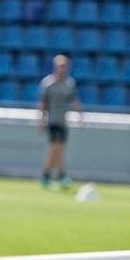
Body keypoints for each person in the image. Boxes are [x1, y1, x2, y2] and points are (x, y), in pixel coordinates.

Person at [38, 54, 82, 189]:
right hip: (52, 121)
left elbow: (74, 101)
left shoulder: (69, 84)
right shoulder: (48, 83)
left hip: (63, 121)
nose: (62, 69)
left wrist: (80, 115)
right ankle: (59, 175)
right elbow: (43, 104)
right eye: (60, 66)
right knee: (56, 147)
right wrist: (41, 120)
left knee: (58, 150)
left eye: (64, 66)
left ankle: (49, 175)